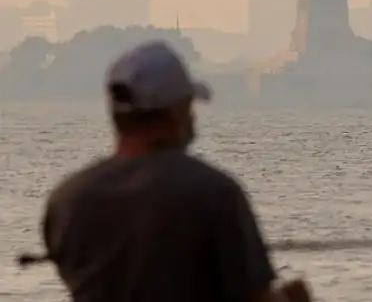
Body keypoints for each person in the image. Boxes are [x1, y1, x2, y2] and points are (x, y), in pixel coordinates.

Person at [40, 40, 311, 302]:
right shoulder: (214, 193)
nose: (193, 118)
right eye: (189, 107)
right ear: (175, 114)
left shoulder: (67, 201)